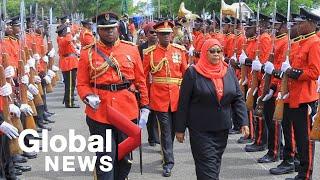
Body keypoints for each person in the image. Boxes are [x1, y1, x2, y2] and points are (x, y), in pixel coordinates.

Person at [77, 12, 149, 180]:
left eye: (112, 28)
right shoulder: (88, 52)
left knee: (125, 160)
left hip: (127, 112)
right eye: (104, 29)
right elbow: (81, 83)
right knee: (105, 160)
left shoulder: (130, 49)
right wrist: (88, 96)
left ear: (117, 28)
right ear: (98, 30)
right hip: (100, 113)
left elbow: (140, 80)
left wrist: (145, 106)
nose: (109, 32)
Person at [175, 39, 249, 180]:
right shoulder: (193, 73)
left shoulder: (229, 71)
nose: (216, 54)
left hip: (222, 129)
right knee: (207, 167)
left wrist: (243, 122)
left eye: (219, 51)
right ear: (204, 53)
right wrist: (180, 129)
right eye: (212, 51)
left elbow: (238, 98)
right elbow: (183, 102)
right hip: (200, 130)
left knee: (214, 164)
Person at [143, 20, 188, 177]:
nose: (166, 37)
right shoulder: (150, 53)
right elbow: (142, 76)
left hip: (177, 96)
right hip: (159, 97)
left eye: (168, 34)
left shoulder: (179, 51)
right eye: (162, 34)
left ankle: (166, 153)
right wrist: (144, 97)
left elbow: (186, 74)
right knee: (165, 130)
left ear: (172, 34)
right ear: (157, 35)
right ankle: (168, 162)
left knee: (175, 129)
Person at [56, 24, 79, 108]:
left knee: (71, 84)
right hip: (68, 64)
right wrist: (69, 31)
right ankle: (69, 102)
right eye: (66, 31)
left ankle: (68, 99)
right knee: (70, 84)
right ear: (63, 32)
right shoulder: (62, 39)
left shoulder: (63, 38)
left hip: (70, 62)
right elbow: (69, 38)